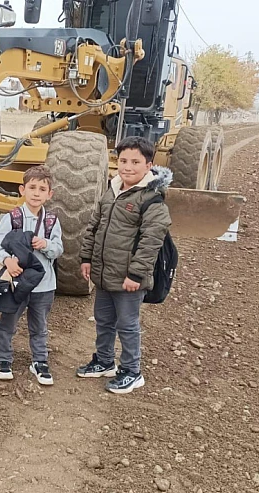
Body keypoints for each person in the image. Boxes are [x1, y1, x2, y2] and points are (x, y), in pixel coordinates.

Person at [77, 136, 172, 394]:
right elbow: (94, 227)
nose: (127, 167)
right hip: (105, 273)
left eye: (135, 162)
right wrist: (86, 258)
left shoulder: (151, 198)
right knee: (103, 319)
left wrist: (136, 274)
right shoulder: (112, 190)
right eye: (123, 161)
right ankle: (104, 361)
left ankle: (132, 371)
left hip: (129, 278)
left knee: (127, 324)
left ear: (149, 165)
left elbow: (152, 240)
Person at [0, 165, 63, 385]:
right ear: (22, 190)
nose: (36, 193)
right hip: (16, 283)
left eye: (42, 189)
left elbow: (59, 248)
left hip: (44, 285)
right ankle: (3, 359)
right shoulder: (11, 218)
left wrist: (47, 244)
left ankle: (39, 362)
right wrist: (8, 260)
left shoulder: (51, 221)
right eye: (32, 187)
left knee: (39, 325)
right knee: (8, 322)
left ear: (49, 194)